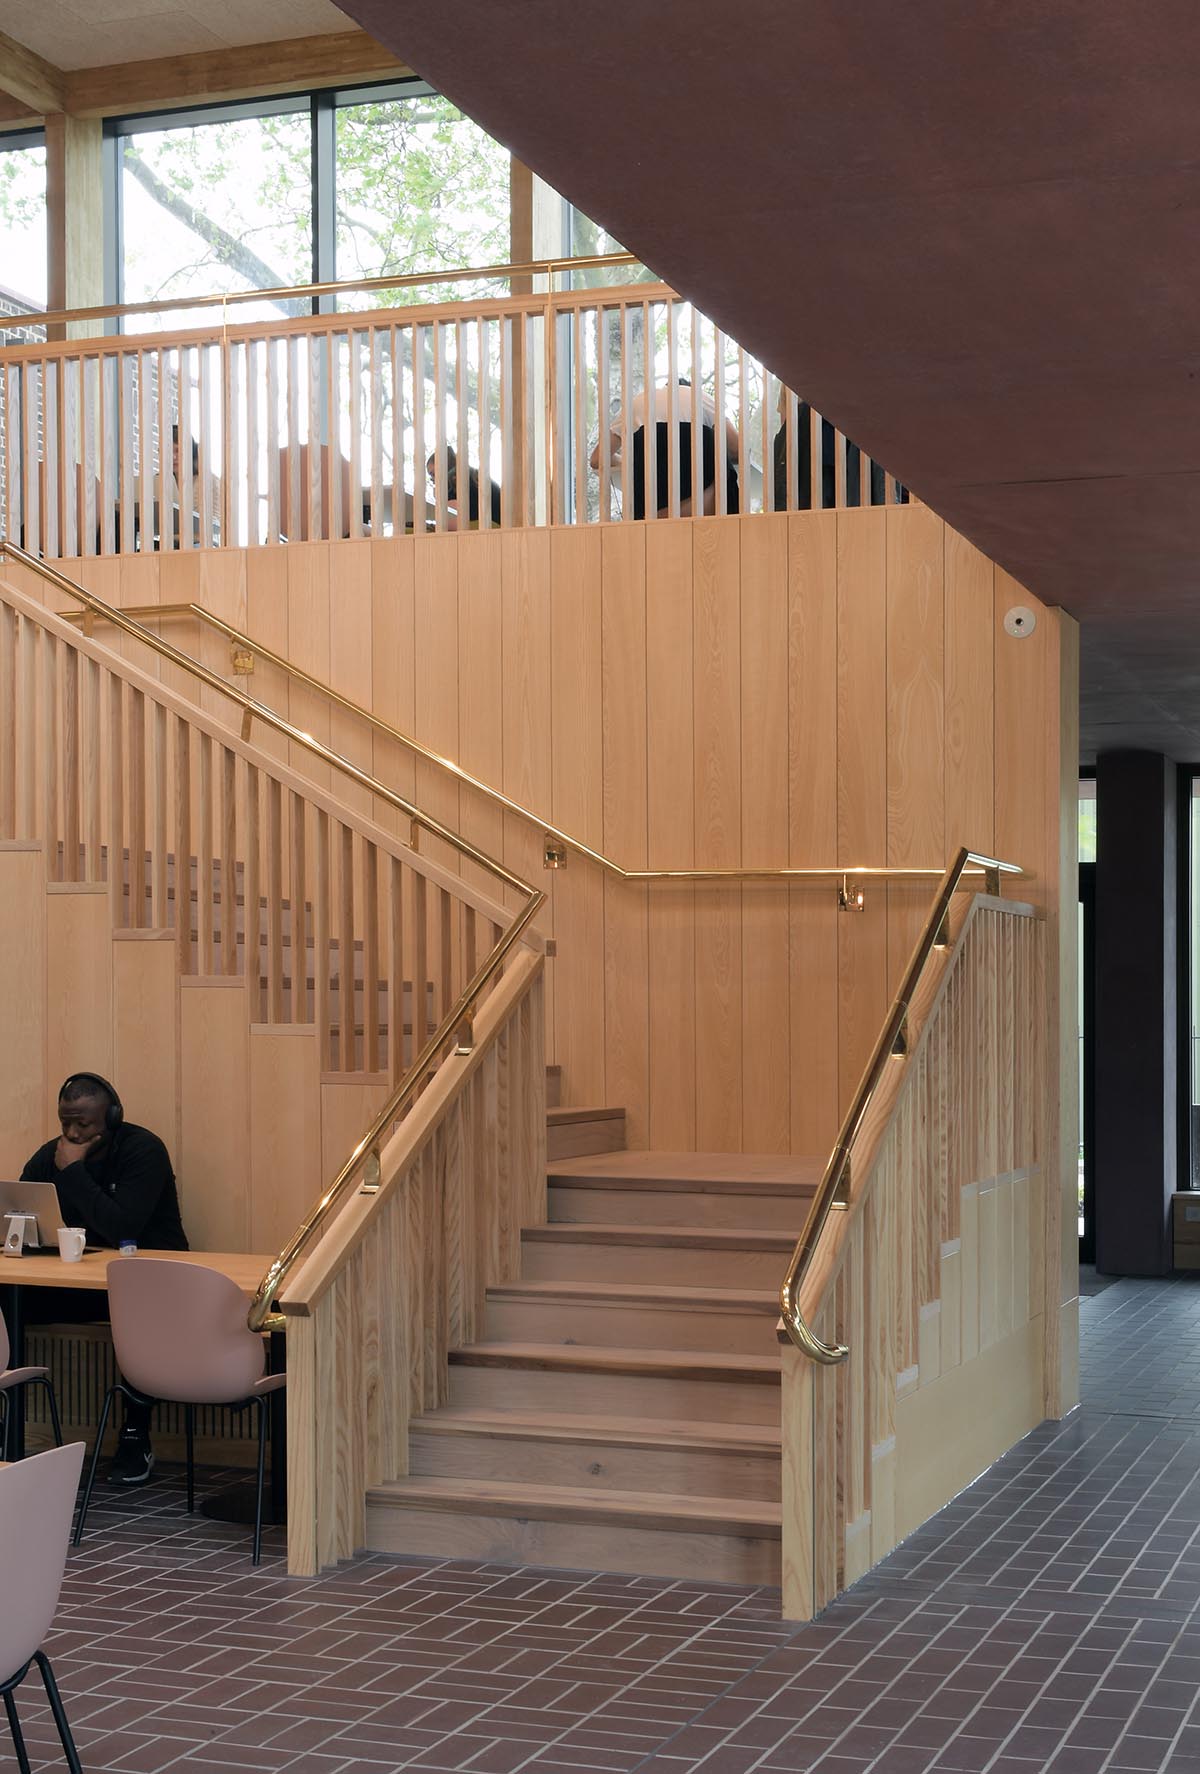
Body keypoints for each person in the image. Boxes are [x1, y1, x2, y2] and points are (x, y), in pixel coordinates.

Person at [20, 1073, 188, 1486]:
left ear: (112, 1117)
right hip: (81, 1284)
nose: (74, 1134)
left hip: (151, 1282)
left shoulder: (143, 1151)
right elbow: (21, 1211)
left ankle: (135, 1435)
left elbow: (122, 1227)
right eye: (66, 1124)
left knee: (139, 1311)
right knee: (9, 1302)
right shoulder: (51, 1156)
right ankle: (9, 1425)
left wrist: (75, 1174)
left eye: (85, 1124)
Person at [590, 378, 740, 519]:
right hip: (706, 504)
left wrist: (631, 461)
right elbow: (737, 449)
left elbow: (597, 459)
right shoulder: (698, 396)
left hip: (649, 508)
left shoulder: (637, 403)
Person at [426, 445, 502, 529]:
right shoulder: (472, 474)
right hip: (498, 522)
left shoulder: (454, 478)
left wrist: (438, 498)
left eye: (433, 474)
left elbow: (452, 512)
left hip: (487, 525)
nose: (433, 480)